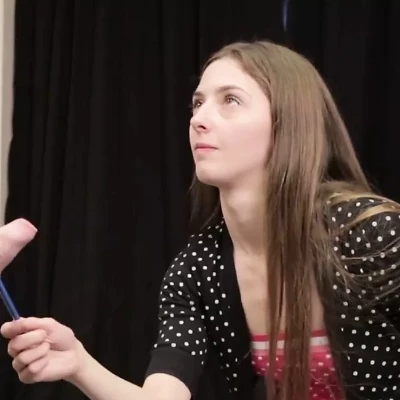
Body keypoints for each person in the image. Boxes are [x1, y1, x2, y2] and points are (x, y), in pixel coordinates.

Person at [1, 40, 400, 400]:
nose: (198, 119)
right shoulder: (198, 269)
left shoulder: (370, 233)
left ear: (288, 124)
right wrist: (79, 364)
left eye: (230, 100)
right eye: (197, 103)